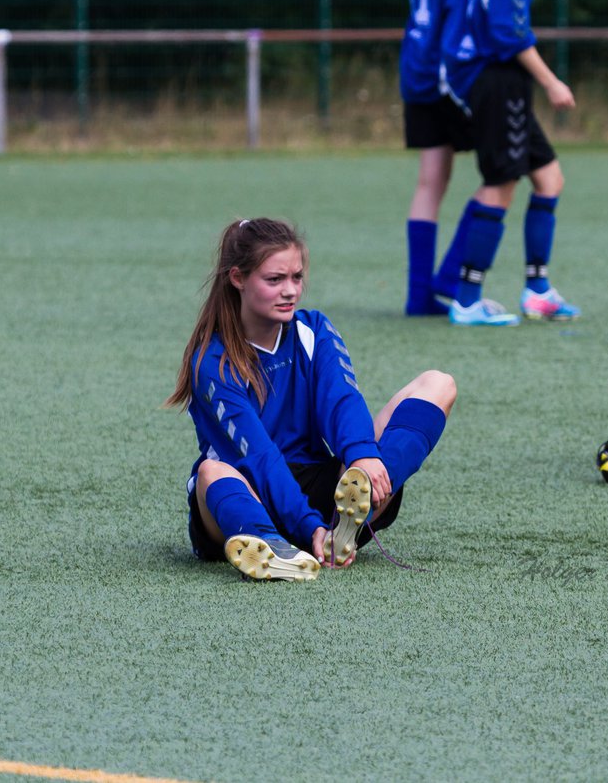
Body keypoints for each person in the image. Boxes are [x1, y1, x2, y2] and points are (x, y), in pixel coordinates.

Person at [167, 218, 457, 581]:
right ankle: (272, 545)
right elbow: (259, 456)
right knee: (212, 472)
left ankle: (344, 527)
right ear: (238, 278)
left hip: (323, 496)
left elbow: (341, 398)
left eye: (297, 278)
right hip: (247, 495)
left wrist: (361, 453)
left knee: (438, 384)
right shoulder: (213, 361)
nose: (290, 290)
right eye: (274, 280)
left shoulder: (313, 329)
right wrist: (309, 528)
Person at [436, 0, 580, 326]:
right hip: (496, 82)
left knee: (549, 178)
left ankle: (537, 291)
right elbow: (509, 35)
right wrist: (552, 82)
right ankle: (466, 299)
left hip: (489, 81)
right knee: (500, 183)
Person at [400, 0, 473, 316]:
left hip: (415, 60)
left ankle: (418, 295)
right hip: (446, 70)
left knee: (431, 179)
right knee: (504, 173)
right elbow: (456, 2)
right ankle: (449, 276)